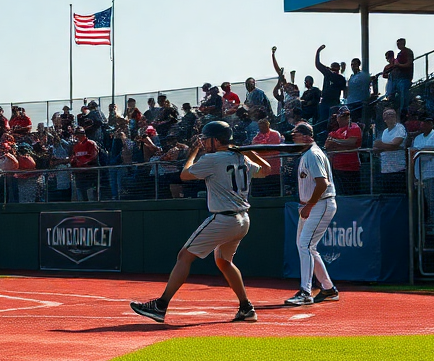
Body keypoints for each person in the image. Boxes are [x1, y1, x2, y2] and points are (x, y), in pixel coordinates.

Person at [129, 121, 274, 324]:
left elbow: (184, 174)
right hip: (242, 220)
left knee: (184, 256)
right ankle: (246, 308)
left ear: (216, 140)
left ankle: (160, 306)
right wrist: (249, 153)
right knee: (224, 262)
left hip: (224, 219)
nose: (204, 143)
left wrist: (193, 153)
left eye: (207, 139)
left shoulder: (212, 159)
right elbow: (267, 170)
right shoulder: (241, 157)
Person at [285, 122, 338, 306]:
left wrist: (309, 205)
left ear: (307, 136)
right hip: (313, 204)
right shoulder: (307, 154)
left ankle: (306, 292)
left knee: (305, 245)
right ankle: (328, 288)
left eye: (296, 134)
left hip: (321, 203)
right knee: (307, 246)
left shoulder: (313, 154)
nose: (293, 137)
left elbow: (322, 184)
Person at [410, 117, 434, 230]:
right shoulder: (418, 138)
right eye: (422, 124)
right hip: (418, 173)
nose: (423, 126)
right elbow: (413, 153)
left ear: (430, 124)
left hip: (431, 173)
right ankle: (424, 224)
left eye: (425, 123)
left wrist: (422, 150)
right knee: (421, 201)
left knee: (433, 200)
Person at [324, 106, 362, 196]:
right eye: (342, 116)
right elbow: (328, 146)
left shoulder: (354, 127)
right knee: (339, 193)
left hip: (351, 167)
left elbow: (352, 142)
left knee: (352, 193)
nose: (344, 118)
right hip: (337, 167)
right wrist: (341, 145)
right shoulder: (334, 132)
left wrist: (335, 142)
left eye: (346, 116)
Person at [373, 107, 407, 193]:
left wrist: (382, 145)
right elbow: (377, 148)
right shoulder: (384, 132)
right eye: (387, 114)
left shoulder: (400, 128)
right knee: (387, 194)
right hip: (385, 169)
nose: (389, 116)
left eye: (392, 114)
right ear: (384, 118)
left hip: (398, 169)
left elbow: (395, 144)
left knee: (398, 194)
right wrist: (386, 147)